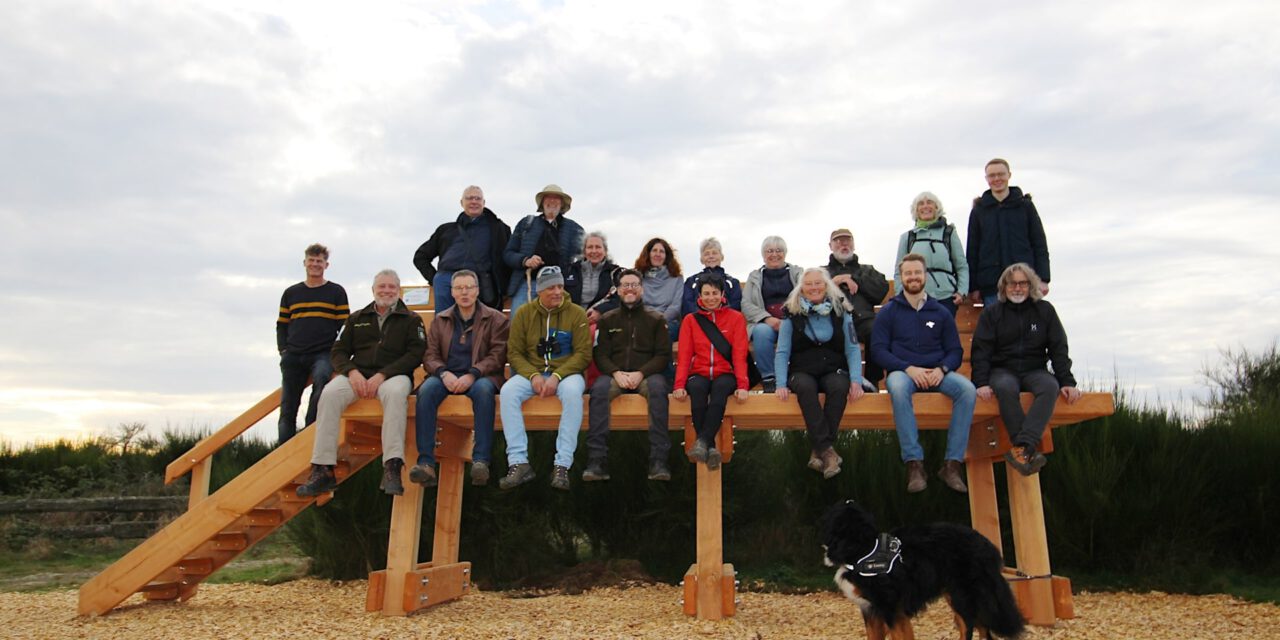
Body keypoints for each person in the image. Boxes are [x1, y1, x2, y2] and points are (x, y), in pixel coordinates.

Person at [297, 269, 426, 498]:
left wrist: (383, 375)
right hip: (358, 375)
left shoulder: (412, 320)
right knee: (329, 394)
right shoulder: (356, 318)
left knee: (395, 395)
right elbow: (338, 351)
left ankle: (392, 466)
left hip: (393, 376)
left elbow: (415, 354)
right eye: (382, 286)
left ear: (399, 291)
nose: (386, 291)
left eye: (391, 287)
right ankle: (323, 469)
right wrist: (352, 372)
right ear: (373, 290)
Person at [871, 254, 975, 494]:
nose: (913, 277)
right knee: (895, 387)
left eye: (917, 272)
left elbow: (955, 351)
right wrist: (908, 368)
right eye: (908, 273)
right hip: (903, 372)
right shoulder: (889, 311)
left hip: (937, 373)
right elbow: (877, 350)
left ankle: (952, 464)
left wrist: (942, 369)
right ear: (901, 278)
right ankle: (914, 464)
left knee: (967, 390)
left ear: (925, 276)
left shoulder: (940, 311)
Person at [970, 263, 1081, 475]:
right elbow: (981, 351)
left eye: (1023, 283)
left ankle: (1022, 447)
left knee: (1050, 387)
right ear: (1004, 287)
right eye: (1012, 284)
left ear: (1031, 286)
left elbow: (1058, 347)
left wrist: (1067, 382)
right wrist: (981, 383)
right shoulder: (992, 313)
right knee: (1005, 387)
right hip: (1002, 370)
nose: (1018, 288)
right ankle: (1027, 448)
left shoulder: (1045, 311)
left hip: (1034, 370)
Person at [411, 270, 510, 488]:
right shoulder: (441, 320)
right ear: (452, 292)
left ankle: (481, 460)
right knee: (426, 391)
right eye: (459, 288)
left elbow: (498, 355)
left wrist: (472, 374)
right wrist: (443, 373)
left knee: (484, 392)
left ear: (477, 290)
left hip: (481, 376)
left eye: (469, 287)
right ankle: (426, 463)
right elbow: (430, 355)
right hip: (445, 376)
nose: (464, 292)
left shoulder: (495, 318)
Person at [498, 266, 592, 491]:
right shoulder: (523, 313)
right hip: (533, 373)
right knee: (508, 391)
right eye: (551, 287)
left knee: (571, 393)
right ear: (540, 291)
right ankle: (518, 462)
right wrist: (532, 376)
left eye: (560, 286)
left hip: (567, 374)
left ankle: (562, 465)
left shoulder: (577, 313)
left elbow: (583, 354)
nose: (557, 291)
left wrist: (558, 376)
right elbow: (515, 353)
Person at [774, 268, 874, 479]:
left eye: (818, 283)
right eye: (808, 284)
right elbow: (782, 351)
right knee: (805, 388)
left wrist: (855, 379)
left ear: (826, 285)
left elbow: (853, 349)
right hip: (801, 370)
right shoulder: (790, 314)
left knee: (839, 386)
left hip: (833, 368)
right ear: (801, 288)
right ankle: (827, 451)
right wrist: (780, 384)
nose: (814, 288)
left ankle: (819, 449)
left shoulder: (842, 311)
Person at [584, 269, 673, 482]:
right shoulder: (607, 320)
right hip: (615, 375)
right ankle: (597, 460)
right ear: (618, 290)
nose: (630, 289)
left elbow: (663, 355)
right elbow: (600, 354)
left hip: (647, 375)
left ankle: (659, 460)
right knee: (599, 390)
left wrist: (642, 373)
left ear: (642, 289)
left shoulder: (656, 319)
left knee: (659, 389)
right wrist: (616, 373)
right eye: (625, 285)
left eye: (634, 285)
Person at [673, 274, 750, 470]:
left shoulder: (736, 318)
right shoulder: (691, 320)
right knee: (697, 389)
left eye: (715, 293)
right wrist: (679, 385)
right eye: (706, 293)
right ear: (699, 296)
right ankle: (711, 446)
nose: (711, 298)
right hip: (698, 371)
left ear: (723, 294)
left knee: (720, 389)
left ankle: (702, 441)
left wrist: (742, 385)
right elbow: (683, 356)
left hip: (726, 373)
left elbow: (740, 355)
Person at [276, 243, 349, 445]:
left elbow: (344, 326)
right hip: (294, 354)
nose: (315, 264)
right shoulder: (291, 293)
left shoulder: (336, 292)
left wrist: (339, 354)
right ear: (304, 263)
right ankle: (284, 448)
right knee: (288, 405)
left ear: (326, 265)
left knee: (321, 390)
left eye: (319, 261)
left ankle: (310, 435)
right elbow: (281, 324)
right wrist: (283, 350)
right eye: (312, 260)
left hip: (323, 353)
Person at [413, 185, 512, 312]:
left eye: (477, 198)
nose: (474, 201)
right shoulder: (446, 230)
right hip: (447, 280)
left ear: (484, 202)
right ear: (461, 202)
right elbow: (421, 257)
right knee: (445, 324)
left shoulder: (499, 229)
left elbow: (508, 257)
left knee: (481, 328)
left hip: (480, 281)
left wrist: (506, 287)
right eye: (469, 198)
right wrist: (434, 278)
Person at [966, 158, 1051, 306]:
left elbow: (1039, 243)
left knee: (1027, 328)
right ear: (986, 179)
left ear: (1009, 175)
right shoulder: (979, 210)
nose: (997, 179)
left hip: (1025, 282)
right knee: (997, 328)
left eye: (1001, 174)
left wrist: (1043, 278)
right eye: (992, 176)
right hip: (992, 285)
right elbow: (972, 250)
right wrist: (973, 286)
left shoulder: (1025, 206)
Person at [503, 184, 585, 310]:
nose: (552, 201)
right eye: (548, 198)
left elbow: (583, 259)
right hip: (528, 284)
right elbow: (508, 254)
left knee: (554, 328)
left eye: (556, 198)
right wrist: (526, 261)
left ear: (562, 204)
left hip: (558, 287)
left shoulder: (575, 229)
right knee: (519, 325)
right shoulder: (525, 224)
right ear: (542, 202)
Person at [825, 228, 889, 386]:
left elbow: (879, 291)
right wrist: (835, 281)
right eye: (838, 241)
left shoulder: (868, 270)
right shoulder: (822, 272)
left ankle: (872, 381)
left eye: (847, 240)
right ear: (830, 246)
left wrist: (853, 278)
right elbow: (811, 293)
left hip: (863, 321)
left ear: (853, 244)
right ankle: (838, 380)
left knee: (877, 329)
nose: (843, 244)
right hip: (834, 321)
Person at [743, 236, 802, 392]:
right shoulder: (755, 276)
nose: (774, 254)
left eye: (779, 250)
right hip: (765, 322)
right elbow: (746, 304)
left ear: (785, 253)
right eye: (769, 251)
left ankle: (796, 374)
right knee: (761, 332)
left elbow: (805, 296)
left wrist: (788, 319)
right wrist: (767, 318)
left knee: (800, 331)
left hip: (792, 320)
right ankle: (769, 378)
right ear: (763, 254)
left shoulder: (797, 273)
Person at [894, 192, 969, 315]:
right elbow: (899, 270)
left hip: (946, 296)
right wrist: (901, 294)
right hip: (916, 297)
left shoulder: (949, 233)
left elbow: (961, 265)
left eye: (929, 202)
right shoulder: (907, 237)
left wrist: (962, 291)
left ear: (937, 208)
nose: (925, 206)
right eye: (921, 204)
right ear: (916, 210)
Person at [634, 237, 683, 342]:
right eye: (654, 250)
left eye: (662, 251)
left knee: (661, 333)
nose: (658, 254)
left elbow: (675, 306)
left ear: (666, 256)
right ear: (648, 254)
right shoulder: (637, 276)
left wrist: (660, 320)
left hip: (667, 321)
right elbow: (634, 302)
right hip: (642, 320)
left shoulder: (676, 278)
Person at [564, 231, 620, 323]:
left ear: (605, 251)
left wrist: (600, 311)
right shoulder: (570, 270)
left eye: (598, 247)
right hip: (571, 320)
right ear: (584, 251)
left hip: (601, 321)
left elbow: (618, 298)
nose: (594, 251)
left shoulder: (615, 273)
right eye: (590, 247)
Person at [681, 237, 743, 316]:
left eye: (714, 253)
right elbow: (687, 305)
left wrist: (718, 317)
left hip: (726, 324)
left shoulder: (733, 283)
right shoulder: (691, 282)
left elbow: (736, 306)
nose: (711, 256)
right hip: (698, 322)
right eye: (707, 254)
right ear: (702, 259)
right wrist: (705, 317)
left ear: (721, 257)